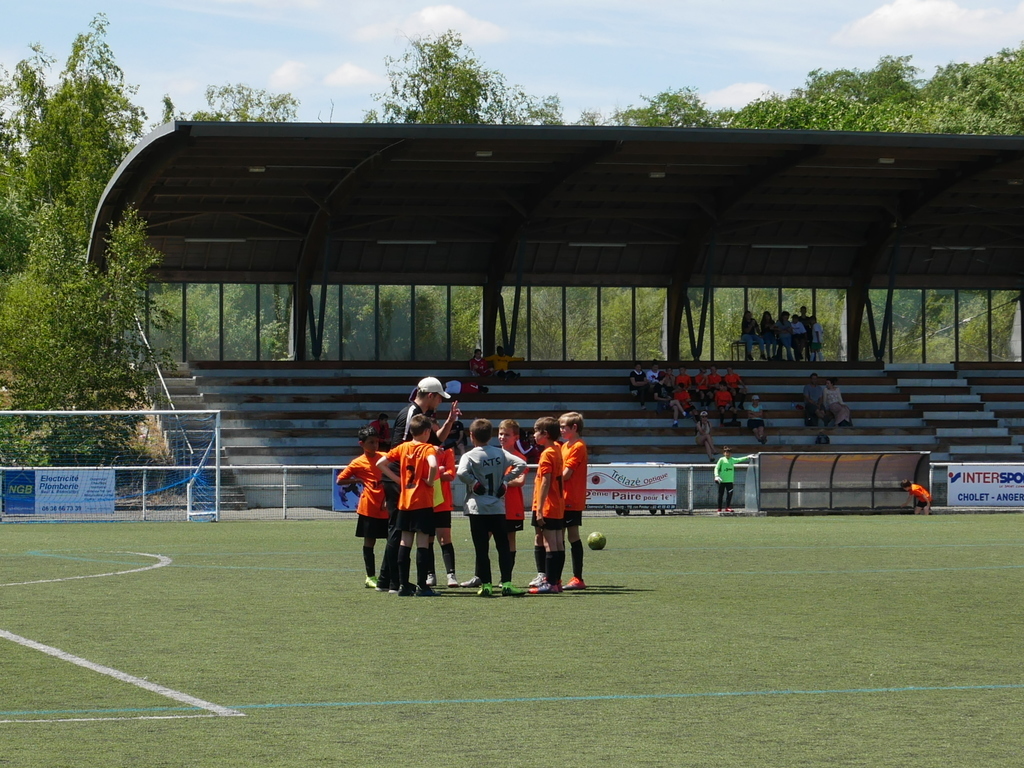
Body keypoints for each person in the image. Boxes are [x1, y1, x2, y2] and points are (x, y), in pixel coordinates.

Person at [377, 377, 461, 594]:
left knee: (401, 532)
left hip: (404, 478)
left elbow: (433, 442)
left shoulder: (421, 418)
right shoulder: (412, 413)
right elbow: (406, 447)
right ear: (431, 395)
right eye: (440, 398)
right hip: (406, 480)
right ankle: (395, 582)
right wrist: (412, 474)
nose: (441, 402)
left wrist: (449, 422)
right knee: (403, 532)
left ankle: (391, 581)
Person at [456, 418, 528, 597]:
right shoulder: (500, 453)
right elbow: (522, 464)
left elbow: (461, 472)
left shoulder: (470, 455)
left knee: (481, 548)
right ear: (491, 435)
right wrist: (505, 480)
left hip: (478, 509)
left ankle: (486, 585)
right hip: (497, 508)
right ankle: (507, 584)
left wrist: (473, 483)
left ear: (471, 436)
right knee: (503, 547)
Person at [376, 414, 439, 596]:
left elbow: (381, 463)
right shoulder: (427, 449)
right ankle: (422, 586)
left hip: (405, 502)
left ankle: (403, 585)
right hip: (422, 502)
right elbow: (433, 464)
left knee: (405, 541)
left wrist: (397, 479)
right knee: (422, 543)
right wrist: (429, 480)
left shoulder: (403, 447)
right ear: (427, 432)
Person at [335, 426, 388, 588]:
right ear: (361, 444)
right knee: (369, 542)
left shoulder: (385, 457)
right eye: (371, 442)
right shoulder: (357, 463)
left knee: (393, 541)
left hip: (387, 507)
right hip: (368, 508)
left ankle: (389, 574)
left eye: (376, 442)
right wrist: (357, 481)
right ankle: (370, 576)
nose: (375, 445)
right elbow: (340, 480)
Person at [528, 416, 566, 594]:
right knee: (558, 542)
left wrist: (540, 508)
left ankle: (550, 582)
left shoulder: (546, 454)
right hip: (558, 502)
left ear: (545, 434)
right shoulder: (557, 449)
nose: (534, 435)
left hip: (548, 504)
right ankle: (556, 581)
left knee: (549, 543)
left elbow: (545, 481)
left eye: (536, 431)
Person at [559, 411, 589, 591]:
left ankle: (578, 577)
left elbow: (566, 474)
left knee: (572, 535)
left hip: (571, 498)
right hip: (562, 497)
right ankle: (557, 577)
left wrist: (548, 481)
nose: (561, 430)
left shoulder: (578, 446)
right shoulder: (565, 446)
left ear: (574, 428)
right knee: (558, 537)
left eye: (564, 427)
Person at [425, 440, 460, 588]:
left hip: (442, 502)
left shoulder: (447, 451)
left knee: (445, 539)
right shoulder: (421, 450)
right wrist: (439, 470)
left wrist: (435, 472)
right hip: (425, 501)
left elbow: (451, 475)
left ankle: (451, 575)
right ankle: (429, 574)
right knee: (427, 540)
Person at [498, 419, 530, 579]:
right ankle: (480, 576)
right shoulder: (493, 455)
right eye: (500, 434)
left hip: (512, 506)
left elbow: (520, 481)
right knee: (486, 537)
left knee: (510, 539)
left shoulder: (520, 458)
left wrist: (500, 481)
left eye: (506, 434)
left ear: (516, 437)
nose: (502, 437)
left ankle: (507, 577)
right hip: (494, 505)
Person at [714, 446, 752, 513]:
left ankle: (727, 507)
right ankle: (719, 508)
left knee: (729, 494)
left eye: (728, 452)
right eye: (726, 452)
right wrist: (716, 476)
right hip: (722, 481)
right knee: (720, 494)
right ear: (724, 453)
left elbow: (739, 459)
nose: (727, 454)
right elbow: (716, 468)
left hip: (729, 481)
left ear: (731, 453)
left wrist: (747, 457)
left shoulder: (732, 460)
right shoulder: (721, 460)